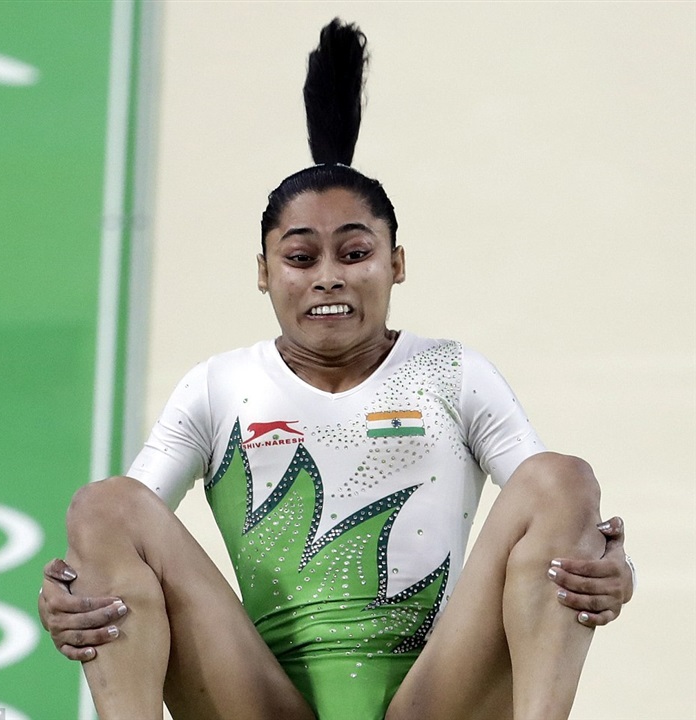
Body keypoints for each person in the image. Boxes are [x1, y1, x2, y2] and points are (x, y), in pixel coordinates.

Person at [39, 19, 634, 720]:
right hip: (262, 704)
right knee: (103, 507)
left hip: (435, 701)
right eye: (300, 258)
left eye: (355, 254)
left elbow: (557, 518)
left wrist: (610, 569)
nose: (329, 277)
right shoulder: (218, 388)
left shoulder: (453, 374)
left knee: (563, 479)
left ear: (396, 264)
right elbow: (116, 539)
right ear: (264, 272)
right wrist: (72, 591)